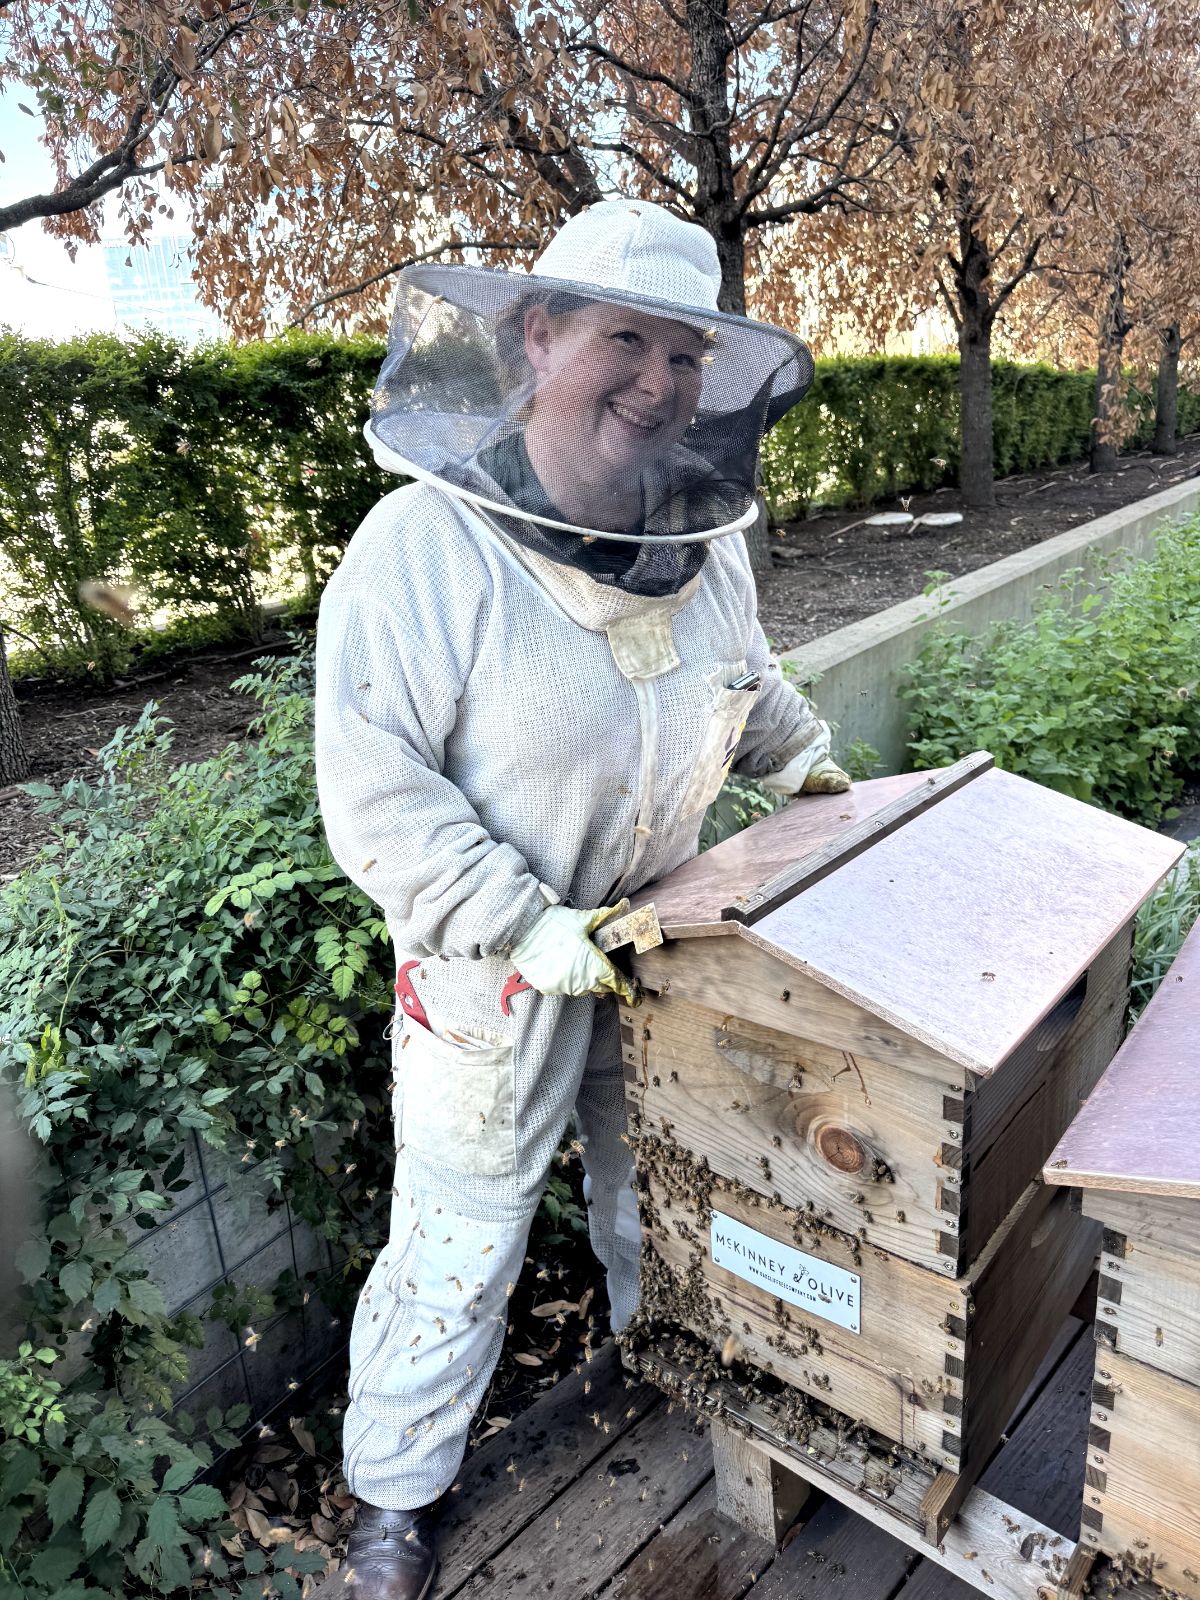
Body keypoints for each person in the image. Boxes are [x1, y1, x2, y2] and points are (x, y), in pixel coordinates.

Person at [312, 198, 849, 1599]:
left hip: (661, 936)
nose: (660, 383)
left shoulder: (706, 536)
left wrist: (802, 760)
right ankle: (393, 1495)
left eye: (685, 356)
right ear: (538, 337)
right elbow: (375, 790)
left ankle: (660, 1368)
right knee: (462, 1231)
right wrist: (516, 916)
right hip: (491, 968)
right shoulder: (419, 558)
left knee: (656, 1187)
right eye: (628, 340)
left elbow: (740, 674)